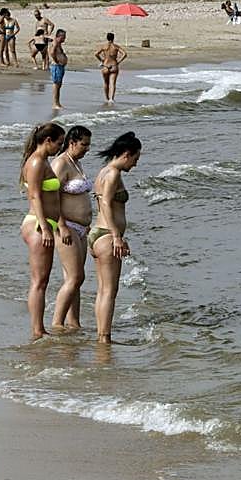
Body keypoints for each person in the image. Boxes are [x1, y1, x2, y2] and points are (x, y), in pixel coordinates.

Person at [89, 132, 141, 344]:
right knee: (110, 291)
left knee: (103, 290)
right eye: (136, 159)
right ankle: (104, 338)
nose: (135, 165)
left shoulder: (103, 172)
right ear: (126, 155)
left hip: (97, 234)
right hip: (107, 236)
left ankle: (101, 334)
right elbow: (107, 204)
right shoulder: (112, 174)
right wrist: (117, 236)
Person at [19, 123, 68, 340]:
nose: (59, 147)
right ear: (47, 140)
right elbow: (35, 196)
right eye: (58, 143)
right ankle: (37, 330)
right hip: (39, 225)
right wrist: (46, 227)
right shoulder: (37, 162)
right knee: (39, 281)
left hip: (45, 223)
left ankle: (39, 329)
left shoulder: (42, 161)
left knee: (43, 280)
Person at [51, 125, 93, 333]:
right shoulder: (60, 164)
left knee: (75, 278)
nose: (87, 149)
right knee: (76, 277)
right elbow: (52, 196)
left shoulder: (76, 163)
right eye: (84, 144)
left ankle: (73, 322)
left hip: (82, 228)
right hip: (66, 226)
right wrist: (61, 225)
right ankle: (57, 322)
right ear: (72, 142)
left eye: (89, 145)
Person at [94, 33, 127, 104]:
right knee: (112, 83)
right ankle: (111, 99)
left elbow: (96, 54)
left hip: (106, 66)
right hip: (114, 65)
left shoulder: (104, 46)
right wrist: (119, 61)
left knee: (106, 83)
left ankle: (107, 98)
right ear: (113, 38)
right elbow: (124, 54)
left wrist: (102, 60)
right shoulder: (116, 47)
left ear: (107, 38)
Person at [49, 28, 68, 109]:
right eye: (63, 37)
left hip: (60, 66)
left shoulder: (58, 43)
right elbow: (52, 52)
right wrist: (56, 60)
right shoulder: (55, 43)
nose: (64, 39)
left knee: (59, 85)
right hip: (56, 66)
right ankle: (55, 103)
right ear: (59, 36)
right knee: (56, 85)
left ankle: (58, 103)